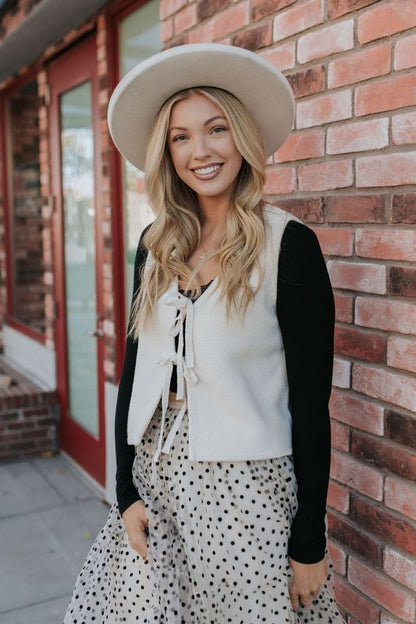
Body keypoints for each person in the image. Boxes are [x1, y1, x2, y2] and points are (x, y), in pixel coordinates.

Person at [64, 43, 346, 623]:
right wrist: (125, 492)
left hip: (248, 495)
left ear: (241, 136)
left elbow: (311, 403)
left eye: (216, 129)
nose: (201, 151)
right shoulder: (155, 246)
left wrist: (309, 539)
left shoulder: (289, 247)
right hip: (158, 486)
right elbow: (134, 369)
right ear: (167, 153)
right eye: (181, 137)